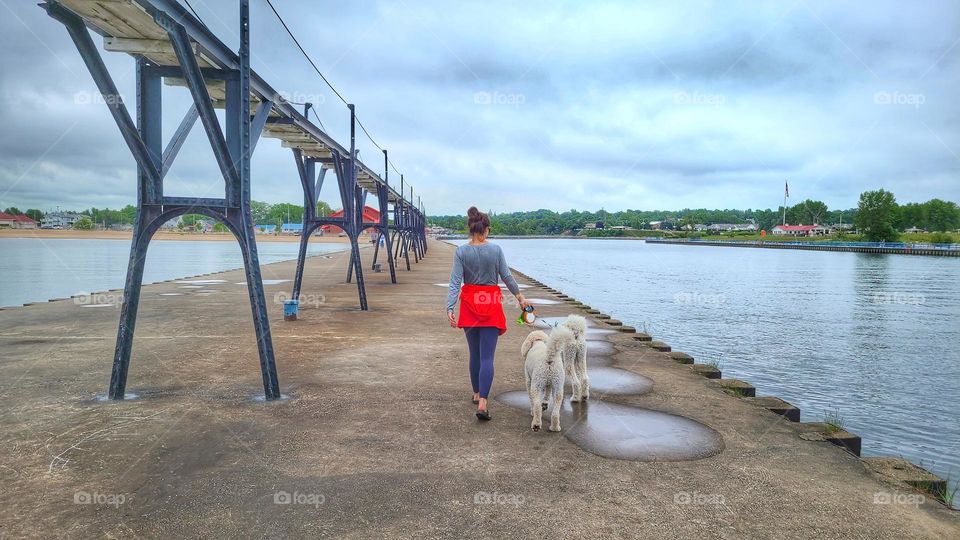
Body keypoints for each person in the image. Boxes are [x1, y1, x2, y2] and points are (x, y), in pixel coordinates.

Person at [447, 207, 528, 421]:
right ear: (487, 230)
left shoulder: (461, 252)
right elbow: (507, 277)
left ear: (470, 229)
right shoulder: (496, 250)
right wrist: (520, 297)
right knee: (486, 357)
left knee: (474, 354)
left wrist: (449, 306)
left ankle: (476, 393)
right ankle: (483, 401)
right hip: (490, 302)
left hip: (469, 304)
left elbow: (455, 281)